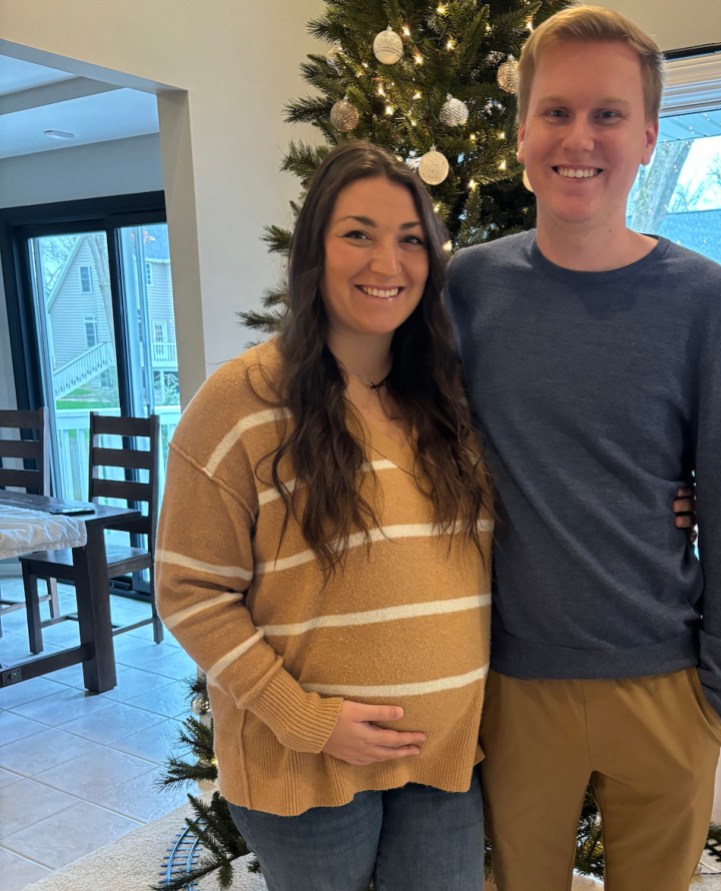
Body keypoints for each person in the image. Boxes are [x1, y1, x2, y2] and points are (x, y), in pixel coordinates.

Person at [446, 7, 721, 891]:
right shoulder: (466, 289)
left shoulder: (712, 306)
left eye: (607, 114)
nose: (578, 137)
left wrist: (719, 691)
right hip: (514, 683)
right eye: (556, 111)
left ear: (650, 136)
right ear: (520, 132)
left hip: (666, 684)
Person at [154, 141, 494, 890]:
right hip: (305, 764)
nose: (388, 261)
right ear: (314, 250)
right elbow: (189, 591)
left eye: (411, 239)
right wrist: (308, 720)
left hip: (442, 757)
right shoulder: (239, 401)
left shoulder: (450, 401)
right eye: (358, 233)